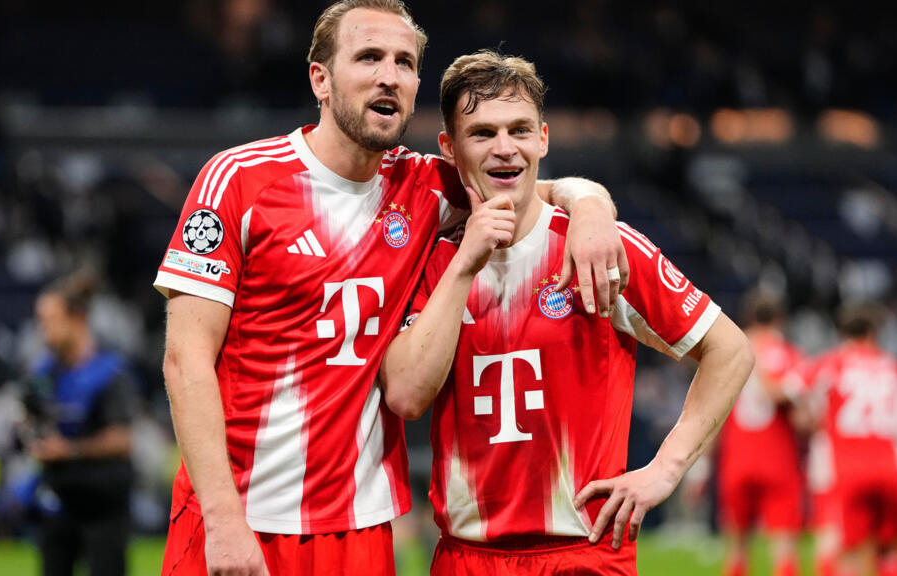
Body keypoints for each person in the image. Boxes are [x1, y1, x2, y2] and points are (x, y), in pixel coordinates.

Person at [153, 2, 628, 575]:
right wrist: (223, 517)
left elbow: (526, 181)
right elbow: (185, 361)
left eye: (405, 62)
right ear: (320, 80)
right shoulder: (240, 180)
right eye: (369, 57)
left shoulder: (424, 187)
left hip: (362, 527)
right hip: (243, 516)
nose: (389, 75)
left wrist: (592, 207)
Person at [379, 49, 754, 574]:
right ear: (450, 148)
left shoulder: (601, 247)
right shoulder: (430, 259)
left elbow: (731, 350)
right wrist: (464, 265)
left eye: (520, 130)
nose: (505, 148)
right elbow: (405, 394)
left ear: (544, 139)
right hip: (467, 558)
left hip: (582, 556)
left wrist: (665, 469)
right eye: (483, 133)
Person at [22, 271, 138, 576]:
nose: (43, 330)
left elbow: (123, 439)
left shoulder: (109, 371)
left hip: (103, 499)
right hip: (60, 497)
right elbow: (30, 423)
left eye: (50, 321)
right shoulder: (44, 373)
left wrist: (70, 450)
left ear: (77, 318)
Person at [792, 303, 897, 576]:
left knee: (848, 551)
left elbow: (794, 389)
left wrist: (815, 419)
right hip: (890, 465)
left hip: (849, 468)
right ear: (874, 332)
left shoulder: (831, 361)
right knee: (891, 548)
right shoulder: (893, 366)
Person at [715, 291, 806, 576]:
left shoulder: (727, 351)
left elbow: (712, 412)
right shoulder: (789, 353)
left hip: (736, 457)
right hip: (777, 459)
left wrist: (702, 466)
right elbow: (802, 415)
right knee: (783, 547)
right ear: (780, 318)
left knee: (737, 547)